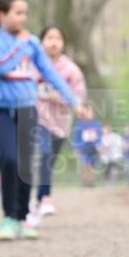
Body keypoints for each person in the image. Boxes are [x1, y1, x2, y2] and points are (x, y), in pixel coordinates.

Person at [0, 0, 87, 240]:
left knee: (24, 165)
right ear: (2, 15)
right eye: (18, 13)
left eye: (25, 13)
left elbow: (51, 74)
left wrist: (75, 103)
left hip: (27, 107)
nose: (23, 18)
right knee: (9, 160)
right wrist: (22, 45)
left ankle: (22, 218)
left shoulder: (31, 42)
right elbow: (1, 65)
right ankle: (9, 218)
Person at [32, 25, 86, 218]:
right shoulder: (33, 64)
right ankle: (46, 197)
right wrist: (46, 94)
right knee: (45, 153)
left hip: (61, 122)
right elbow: (26, 87)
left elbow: (78, 96)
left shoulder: (72, 70)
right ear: (41, 42)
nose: (54, 42)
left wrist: (58, 96)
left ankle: (39, 198)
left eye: (58, 38)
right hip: (37, 117)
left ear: (63, 43)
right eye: (49, 38)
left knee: (50, 160)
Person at [71, 105, 102, 186]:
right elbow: (76, 137)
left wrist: (100, 146)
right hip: (83, 148)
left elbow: (100, 137)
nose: (90, 114)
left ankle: (91, 182)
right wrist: (75, 148)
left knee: (92, 166)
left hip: (93, 148)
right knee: (85, 164)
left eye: (91, 112)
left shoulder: (97, 124)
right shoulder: (80, 125)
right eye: (88, 111)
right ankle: (85, 181)